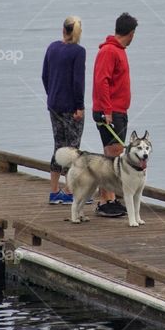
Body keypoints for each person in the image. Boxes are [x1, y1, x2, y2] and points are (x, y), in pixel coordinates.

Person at [91, 12, 138, 217]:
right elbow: (102, 81)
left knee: (113, 155)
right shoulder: (109, 51)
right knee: (112, 156)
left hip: (118, 110)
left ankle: (110, 198)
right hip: (110, 112)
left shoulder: (118, 50)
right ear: (131, 33)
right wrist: (107, 110)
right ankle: (105, 202)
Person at [41, 16, 86, 205]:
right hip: (71, 107)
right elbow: (78, 81)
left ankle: (54, 191)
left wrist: (51, 94)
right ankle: (69, 190)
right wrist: (79, 106)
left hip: (54, 104)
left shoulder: (52, 47)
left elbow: (45, 75)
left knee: (58, 146)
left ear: (63, 29)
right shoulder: (78, 51)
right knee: (73, 148)